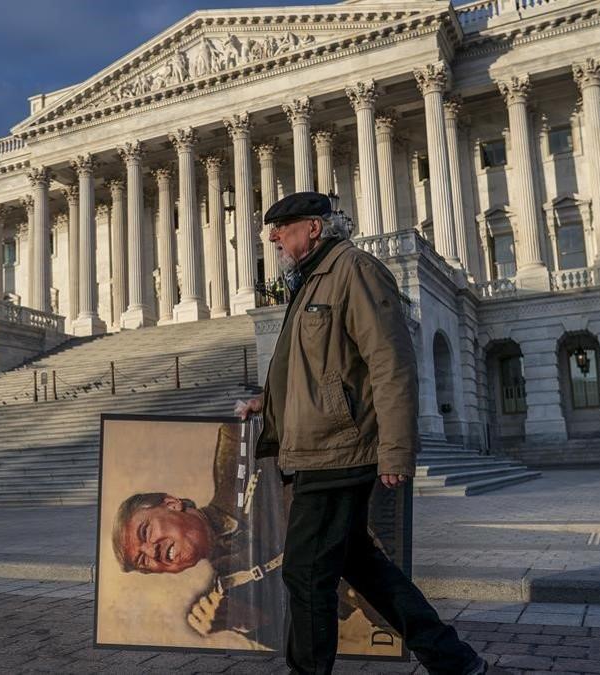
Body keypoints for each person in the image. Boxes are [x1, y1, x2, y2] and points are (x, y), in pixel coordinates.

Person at [237, 192, 486, 675]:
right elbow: (312, 370)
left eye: (283, 228)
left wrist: (396, 450)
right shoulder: (310, 281)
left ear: (312, 228)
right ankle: (453, 660)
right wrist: (265, 403)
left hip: (338, 450)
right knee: (363, 565)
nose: (273, 238)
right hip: (316, 447)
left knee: (306, 572)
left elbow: (391, 364)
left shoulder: (355, 271)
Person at [112, 424, 287, 649]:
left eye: (146, 532)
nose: (152, 551)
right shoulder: (228, 596)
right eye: (143, 561)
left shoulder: (235, 446)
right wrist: (252, 622)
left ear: (172, 504)